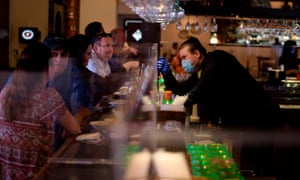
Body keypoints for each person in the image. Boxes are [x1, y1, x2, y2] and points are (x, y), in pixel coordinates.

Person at [157, 36, 281, 176]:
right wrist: (166, 73)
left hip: (260, 116)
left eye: (184, 57)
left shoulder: (217, 60)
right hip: (245, 120)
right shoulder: (201, 70)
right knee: (249, 162)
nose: (182, 62)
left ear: (197, 54)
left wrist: (172, 111)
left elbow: (196, 93)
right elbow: (181, 89)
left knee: (261, 165)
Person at [0, 42, 81, 180]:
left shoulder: (5, 93)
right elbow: (75, 129)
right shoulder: (49, 97)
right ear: (47, 68)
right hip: (37, 177)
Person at [87, 32, 140, 104]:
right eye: (107, 46)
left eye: (112, 46)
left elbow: (110, 79)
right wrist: (127, 66)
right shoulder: (93, 61)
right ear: (96, 48)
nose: (111, 49)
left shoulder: (104, 58)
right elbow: (106, 86)